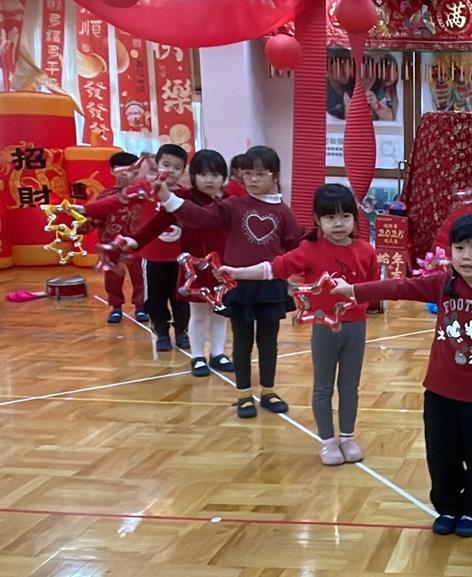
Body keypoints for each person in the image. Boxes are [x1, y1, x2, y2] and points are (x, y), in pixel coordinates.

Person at [333, 213, 472, 538]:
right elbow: (399, 287)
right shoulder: (442, 285)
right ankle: (447, 506)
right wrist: (354, 290)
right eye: (459, 248)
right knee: (440, 454)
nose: (466, 256)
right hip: (438, 392)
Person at [222, 184, 378, 464]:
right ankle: (327, 442)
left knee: (350, 386)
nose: (338, 224)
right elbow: (272, 268)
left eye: (345, 216)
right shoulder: (309, 250)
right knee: (323, 386)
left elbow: (374, 288)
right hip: (325, 328)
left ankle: (347, 437)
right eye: (330, 217)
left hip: (356, 327)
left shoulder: (366, 251)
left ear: (355, 218)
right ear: (317, 220)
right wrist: (237, 272)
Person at [157, 146, 304, 417]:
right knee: (242, 341)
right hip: (239, 285)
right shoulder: (233, 206)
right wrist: (168, 197)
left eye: (260, 173)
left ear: (275, 176)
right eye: (248, 173)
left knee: (268, 341)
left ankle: (268, 391)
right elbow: (201, 217)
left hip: (270, 286)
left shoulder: (284, 211)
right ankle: (244, 394)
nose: (253, 179)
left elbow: (296, 248)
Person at [128, 149, 236, 376]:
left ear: (224, 177)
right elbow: (158, 223)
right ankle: (198, 356)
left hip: (223, 268)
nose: (209, 180)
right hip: (194, 268)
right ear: (193, 176)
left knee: (220, 312)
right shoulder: (182, 199)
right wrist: (136, 241)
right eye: (203, 174)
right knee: (198, 313)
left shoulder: (230, 202)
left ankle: (218, 354)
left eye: (215, 175)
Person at [80, 152, 148, 324]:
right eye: (120, 170)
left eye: (130, 170)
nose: (125, 174)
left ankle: (141, 306)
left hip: (138, 243)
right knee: (112, 277)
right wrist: (76, 228)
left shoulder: (142, 195)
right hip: (111, 244)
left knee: (140, 276)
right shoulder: (105, 196)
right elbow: (95, 218)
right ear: (112, 171)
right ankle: (116, 307)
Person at [144, 144, 191, 352]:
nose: (170, 170)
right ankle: (161, 332)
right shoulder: (145, 192)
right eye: (166, 164)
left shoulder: (187, 196)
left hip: (181, 258)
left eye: (177, 167)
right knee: (156, 298)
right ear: (157, 164)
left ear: (183, 171)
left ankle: (182, 331)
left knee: (181, 297)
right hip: (154, 257)